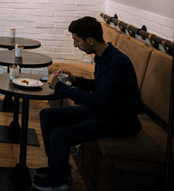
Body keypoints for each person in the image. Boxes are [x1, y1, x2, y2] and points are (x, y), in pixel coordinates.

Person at [34, 16, 141, 191]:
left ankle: (57, 182)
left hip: (117, 120)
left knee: (59, 134)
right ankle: (59, 170)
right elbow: (100, 86)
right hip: (103, 111)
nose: (75, 45)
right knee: (46, 115)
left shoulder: (117, 62)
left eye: (77, 40)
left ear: (90, 40)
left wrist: (61, 86)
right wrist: (76, 80)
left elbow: (97, 98)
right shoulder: (104, 56)